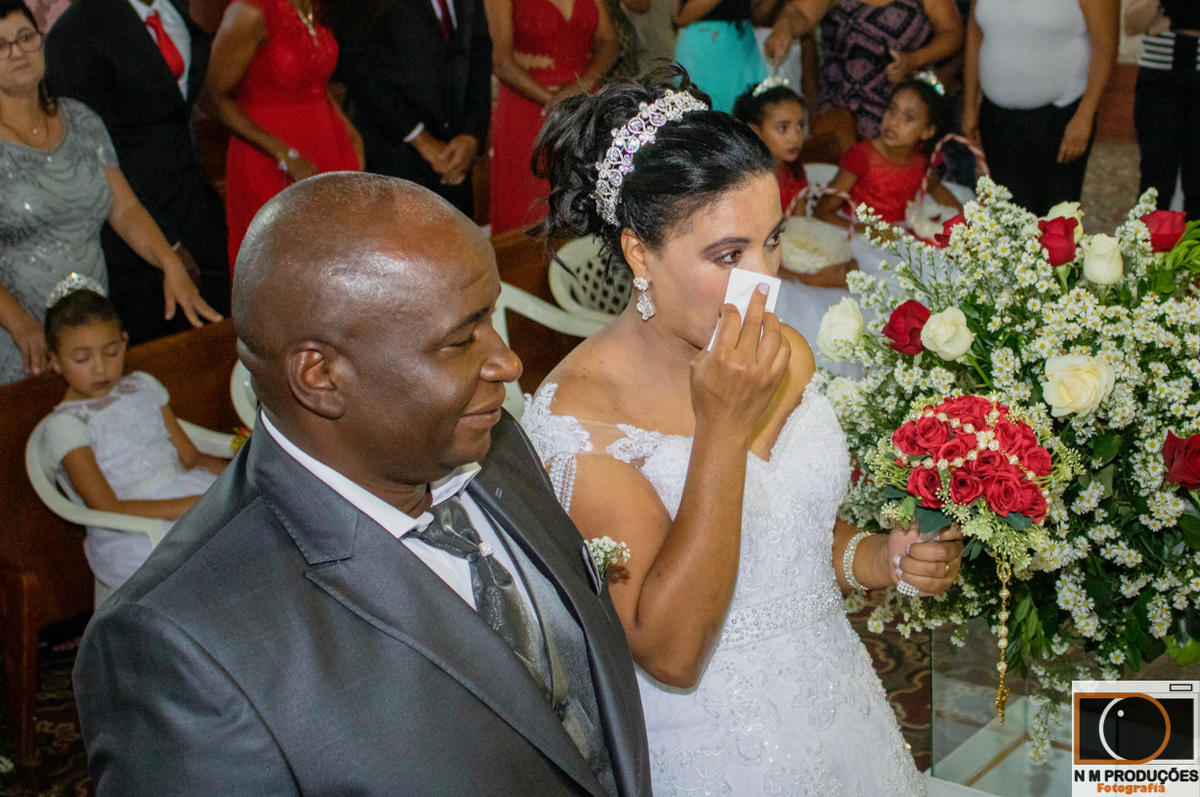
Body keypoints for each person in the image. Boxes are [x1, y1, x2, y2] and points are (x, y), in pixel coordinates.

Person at [73, 172, 652, 796]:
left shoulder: (494, 442)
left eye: (490, 319)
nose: (506, 362)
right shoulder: (180, 647)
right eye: (462, 340)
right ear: (320, 375)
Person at [524, 66, 962, 795]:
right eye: (729, 255)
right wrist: (720, 432)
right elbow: (671, 651)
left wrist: (878, 557)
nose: (765, 279)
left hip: (839, 710)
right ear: (639, 254)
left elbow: (786, 531)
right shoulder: (581, 419)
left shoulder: (782, 350)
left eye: (772, 239)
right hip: (712, 748)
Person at [0, 0, 220, 386]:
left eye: (24, 37)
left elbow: (125, 209)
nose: (17, 52)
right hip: (18, 331)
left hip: (89, 324)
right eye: (1, 46)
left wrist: (169, 262)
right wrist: (21, 327)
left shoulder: (79, 118)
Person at [45, 0, 233, 346]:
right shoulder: (76, 32)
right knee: (163, 350)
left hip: (197, 200)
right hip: (132, 225)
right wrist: (167, 243)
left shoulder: (177, 9)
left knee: (223, 336)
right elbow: (96, 152)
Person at [39, 278, 227, 598]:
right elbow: (104, 504)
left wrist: (237, 478)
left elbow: (191, 456)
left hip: (188, 489)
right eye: (82, 359)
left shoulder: (143, 385)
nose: (100, 369)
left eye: (111, 352)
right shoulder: (65, 425)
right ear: (53, 360)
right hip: (130, 525)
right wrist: (189, 507)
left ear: (125, 343)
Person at [199, 0, 364, 267]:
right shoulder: (250, 11)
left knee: (338, 269)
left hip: (327, 149)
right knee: (283, 272)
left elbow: (314, 79)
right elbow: (211, 99)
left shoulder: (316, 6)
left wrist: (349, 130)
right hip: (270, 159)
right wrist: (284, 155)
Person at [960, 0, 1119, 217]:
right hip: (997, 118)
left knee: (1056, 219)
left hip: (1060, 120)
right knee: (1010, 217)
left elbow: (1105, 46)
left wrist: (1085, 115)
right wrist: (969, 105)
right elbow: (975, 33)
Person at [336, 0, 492, 217]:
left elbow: (480, 49)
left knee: (456, 247)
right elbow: (357, 63)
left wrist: (472, 134)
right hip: (391, 153)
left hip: (455, 156)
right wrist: (420, 137)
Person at [485, 0, 618, 234]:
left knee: (587, 201)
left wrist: (584, 84)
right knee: (529, 210)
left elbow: (609, 40)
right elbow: (500, 61)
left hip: (583, 103)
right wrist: (554, 100)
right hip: (528, 105)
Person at [764, 0, 964, 141]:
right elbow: (802, 12)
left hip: (902, 115)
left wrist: (914, 59)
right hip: (841, 113)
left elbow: (952, 32)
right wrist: (785, 25)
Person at [815, 76, 961, 230]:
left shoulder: (923, 159)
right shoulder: (862, 156)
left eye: (907, 118)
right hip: (857, 231)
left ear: (927, 132)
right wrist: (872, 231)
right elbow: (822, 211)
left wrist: (969, 223)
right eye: (892, 110)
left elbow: (935, 188)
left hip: (899, 231)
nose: (893, 122)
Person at [1126, 0, 1199, 219]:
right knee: (1154, 186)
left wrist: (1170, 20)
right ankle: (1148, 251)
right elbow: (1131, 25)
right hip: (1158, 83)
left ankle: (1192, 253)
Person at [671, 0, 768, 114]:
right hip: (706, 43)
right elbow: (681, 16)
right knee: (704, 115)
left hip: (743, 40)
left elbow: (759, 17)